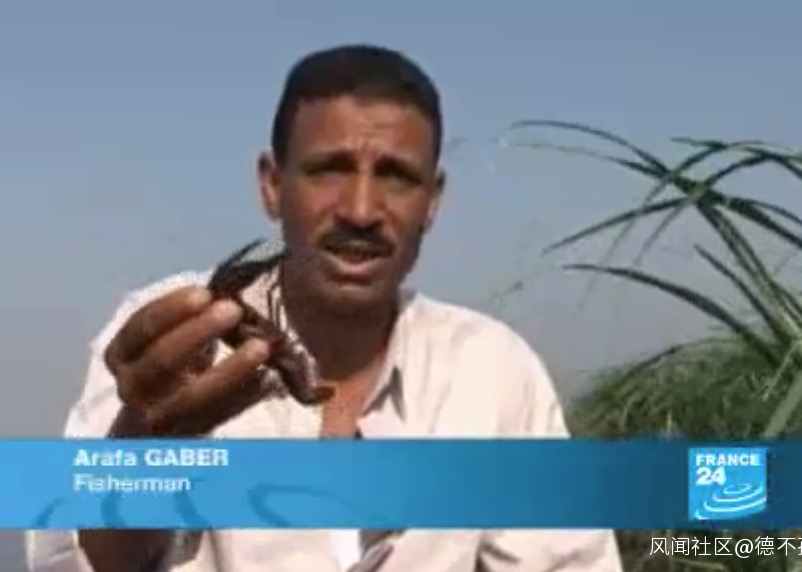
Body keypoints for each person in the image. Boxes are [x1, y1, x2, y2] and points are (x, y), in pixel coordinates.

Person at [24, 44, 622, 572]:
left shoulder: (494, 371)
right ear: (272, 184)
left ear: (433, 201)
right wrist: (141, 449)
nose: (360, 209)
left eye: (396, 176)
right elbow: (72, 559)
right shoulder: (174, 335)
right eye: (329, 169)